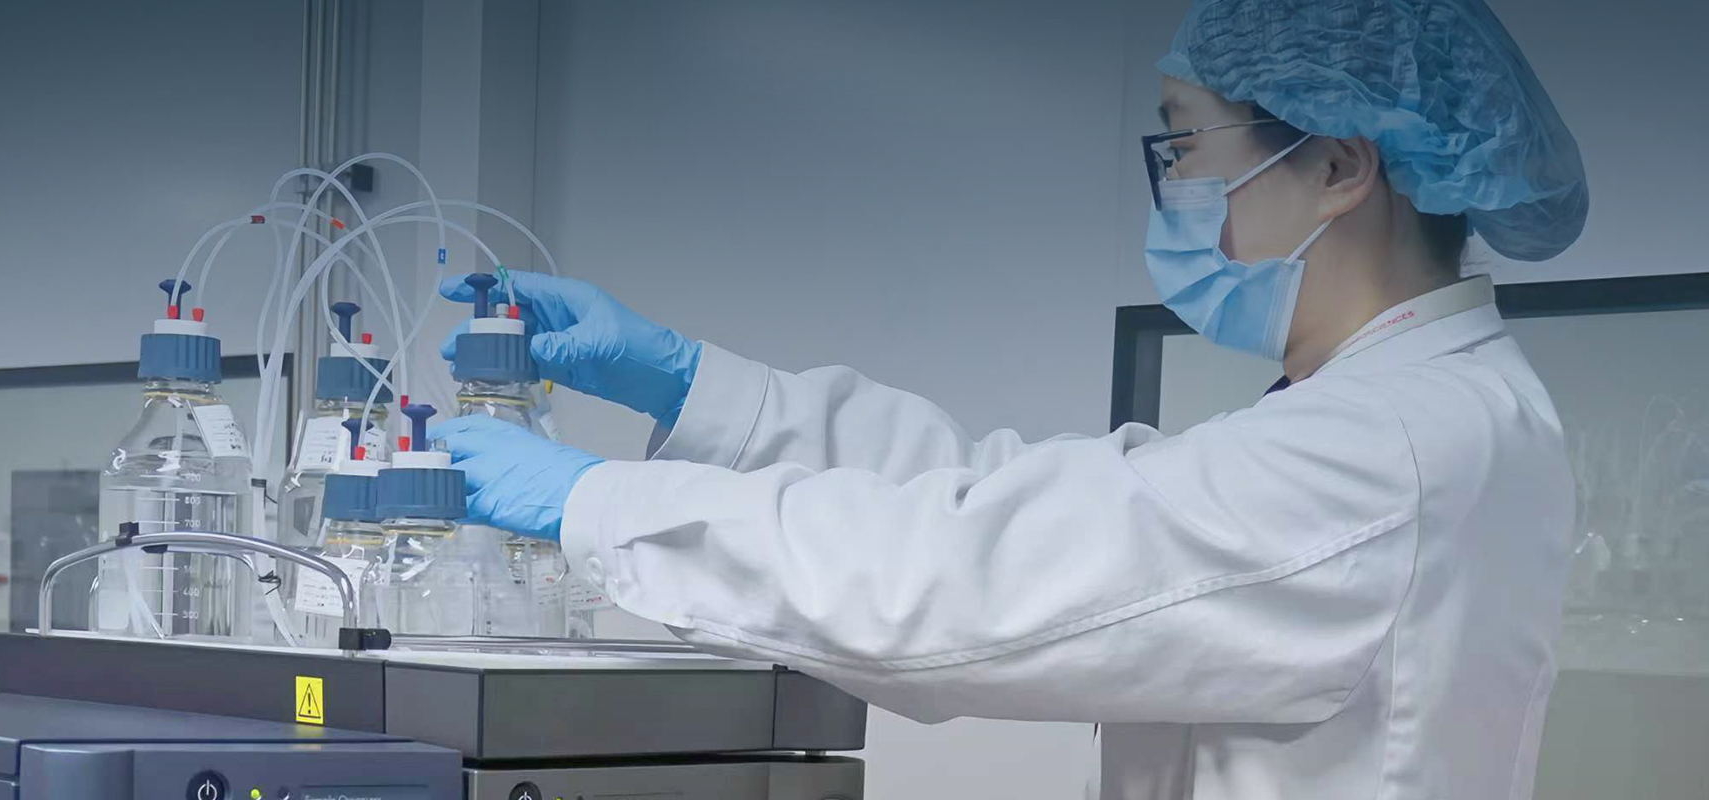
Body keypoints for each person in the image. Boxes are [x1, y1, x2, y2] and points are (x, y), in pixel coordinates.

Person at [424, 0, 1589, 796]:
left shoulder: (1390, 449)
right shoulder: (1409, 412)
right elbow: (1017, 498)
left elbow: (967, 575)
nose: (1176, 189)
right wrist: (702, 388)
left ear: (1339, 166)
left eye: (1186, 147)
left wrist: (599, 501)